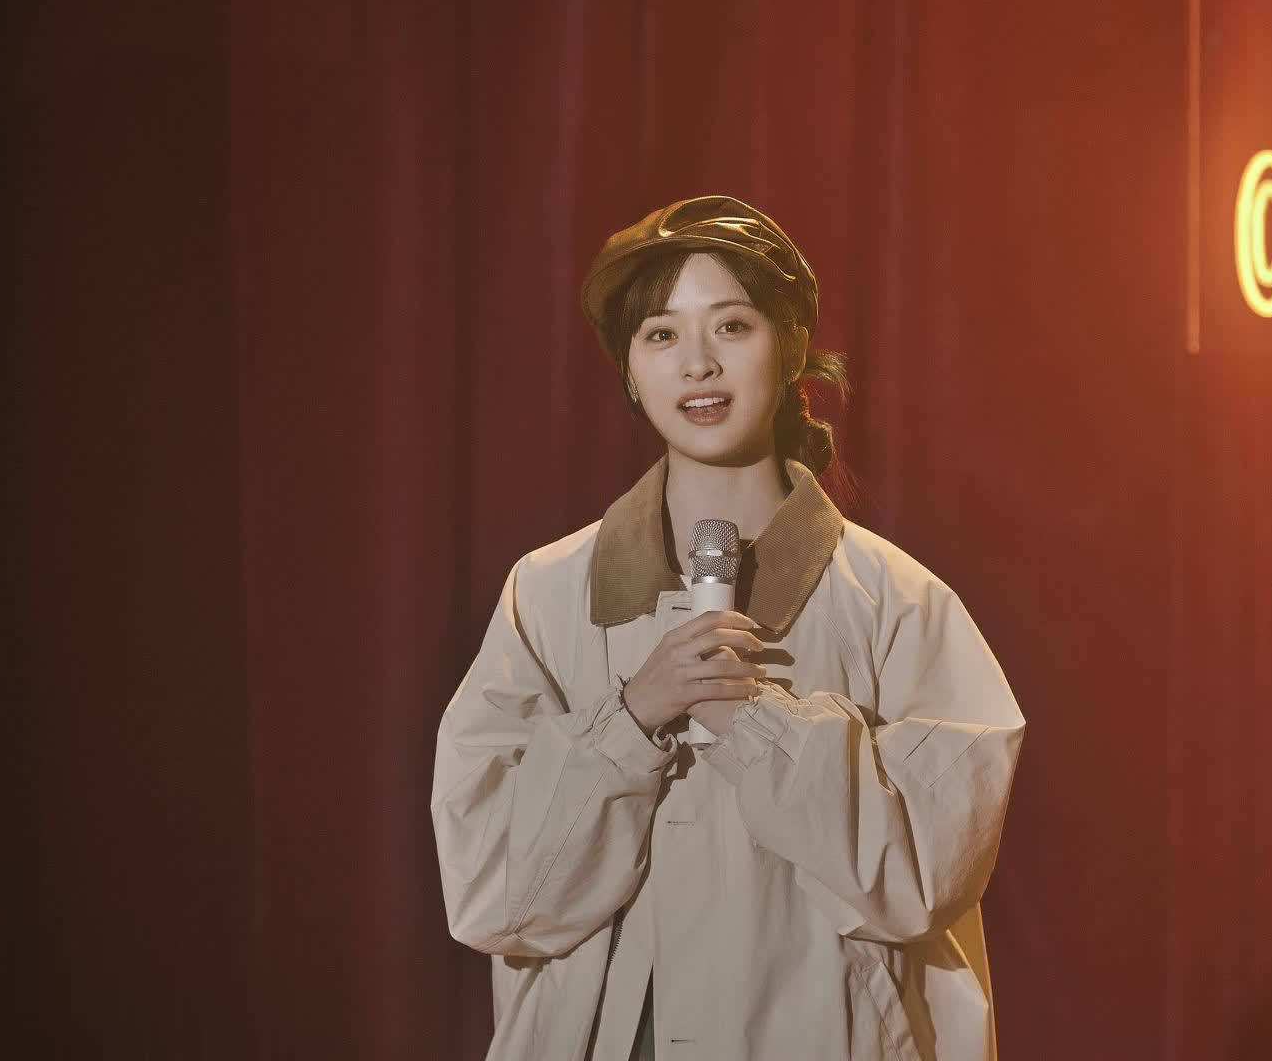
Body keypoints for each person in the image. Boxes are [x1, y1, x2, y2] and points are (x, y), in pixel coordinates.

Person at [430, 194, 1026, 1060]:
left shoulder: (899, 602)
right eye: (661, 335)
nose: (697, 364)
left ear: (790, 348)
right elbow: (491, 895)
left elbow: (923, 882)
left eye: (733, 326)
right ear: (631, 371)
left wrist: (759, 726)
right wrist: (629, 720)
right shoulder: (548, 595)